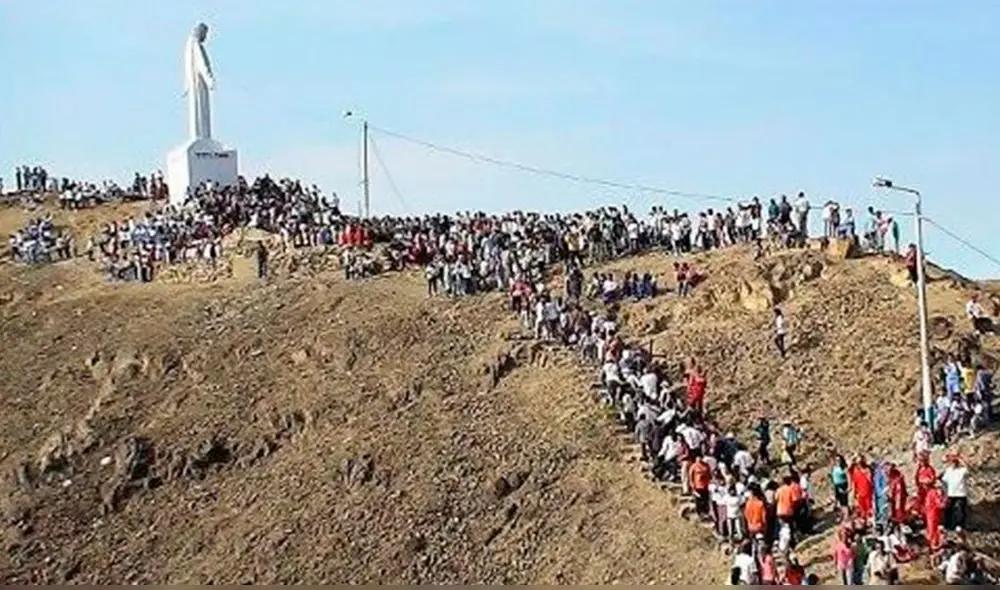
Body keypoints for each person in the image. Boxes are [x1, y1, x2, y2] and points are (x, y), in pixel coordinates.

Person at [941, 454, 969, 531]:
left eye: (954, 462)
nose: (953, 463)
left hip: (961, 494)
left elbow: (967, 468)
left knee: (960, 510)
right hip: (951, 493)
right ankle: (947, 525)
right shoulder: (948, 470)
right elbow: (944, 480)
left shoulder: (962, 470)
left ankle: (959, 525)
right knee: (948, 510)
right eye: (952, 462)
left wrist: (960, 459)